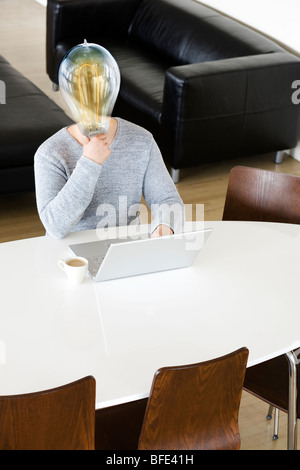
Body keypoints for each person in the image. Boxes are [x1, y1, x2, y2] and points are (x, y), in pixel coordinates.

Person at [34, 116, 184, 239]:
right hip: (69, 258)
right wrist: (89, 163)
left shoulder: (142, 140)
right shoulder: (50, 152)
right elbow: (54, 226)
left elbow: (167, 199)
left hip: (126, 249)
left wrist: (164, 226)